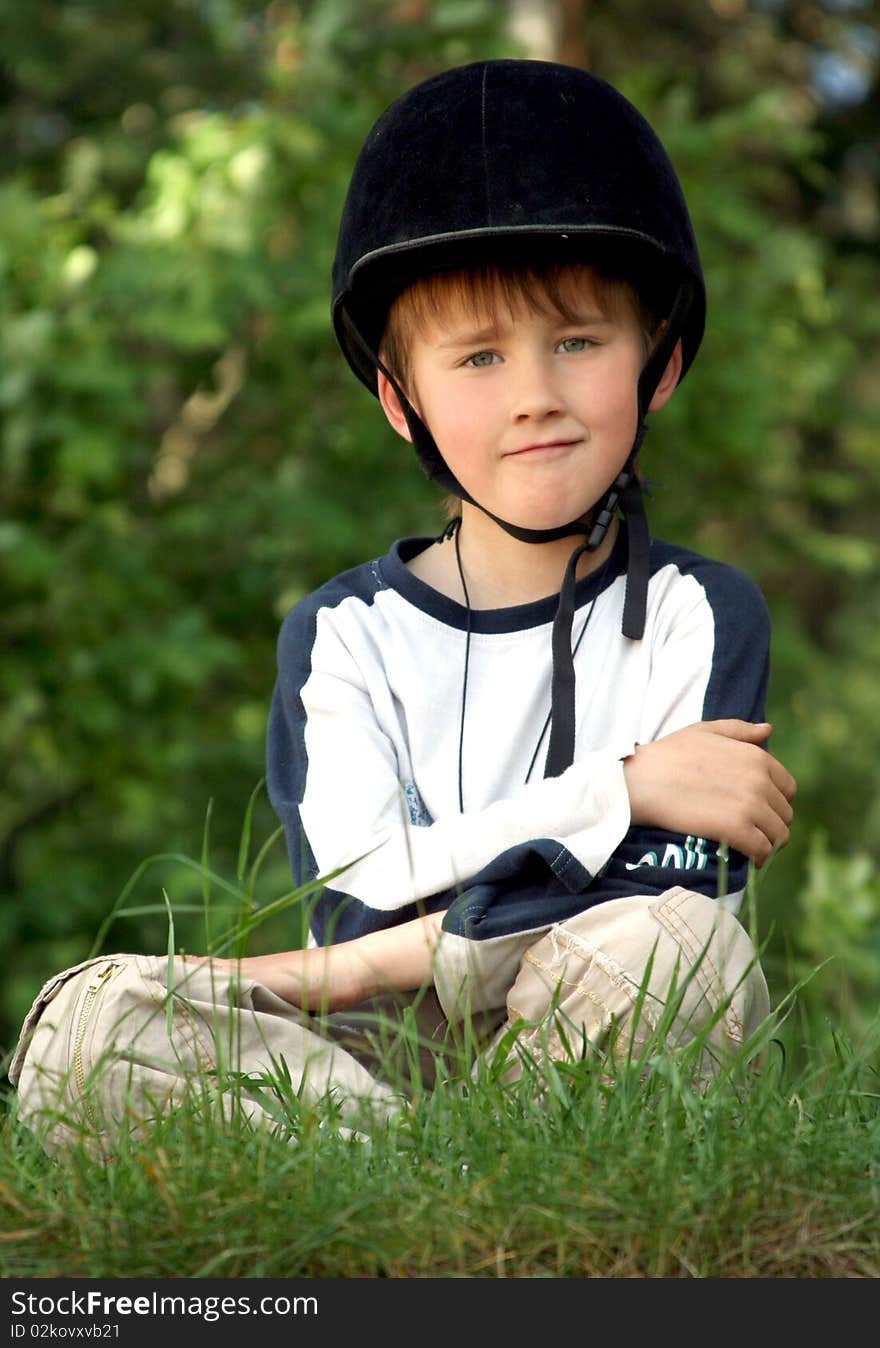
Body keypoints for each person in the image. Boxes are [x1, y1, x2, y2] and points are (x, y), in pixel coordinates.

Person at [11, 59, 796, 1148]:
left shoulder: (694, 610)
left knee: (675, 951)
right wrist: (622, 785)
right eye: (477, 356)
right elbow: (357, 891)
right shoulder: (346, 635)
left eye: (577, 340)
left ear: (655, 362)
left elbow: (665, 900)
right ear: (400, 400)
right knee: (85, 1026)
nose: (535, 396)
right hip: (366, 1056)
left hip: (587, 1024)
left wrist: (338, 960)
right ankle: (436, 1181)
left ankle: (467, 1189)